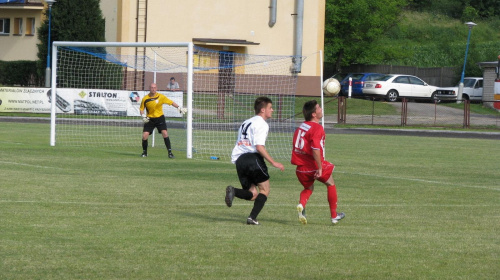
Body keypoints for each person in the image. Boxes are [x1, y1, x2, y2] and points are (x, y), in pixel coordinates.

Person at [224, 96, 284, 225]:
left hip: (239, 160)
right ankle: (252, 218)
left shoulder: (246, 122)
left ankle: (233, 191)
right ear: (262, 110)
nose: (272, 110)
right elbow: (259, 147)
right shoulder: (262, 124)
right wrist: (273, 162)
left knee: (252, 194)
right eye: (270, 108)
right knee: (265, 190)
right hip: (252, 158)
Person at [291, 100, 345, 225]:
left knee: (308, 188)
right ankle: (334, 216)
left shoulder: (301, 127)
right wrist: (320, 168)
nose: (321, 109)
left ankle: (301, 204)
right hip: (313, 165)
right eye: (319, 108)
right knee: (331, 184)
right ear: (314, 114)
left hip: (300, 168)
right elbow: (315, 149)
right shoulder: (317, 128)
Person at [139, 83, 187, 158]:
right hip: (150, 119)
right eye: (152, 87)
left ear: (156, 88)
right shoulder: (145, 98)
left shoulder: (161, 96)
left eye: (154, 87)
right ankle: (144, 153)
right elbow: (141, 109)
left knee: (165, 133)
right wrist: (143, 116)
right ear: (149, 88)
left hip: (159, 118)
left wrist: (179, 107)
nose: (153, 89)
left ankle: (170, 153)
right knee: (145, 135)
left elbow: (171, 102)